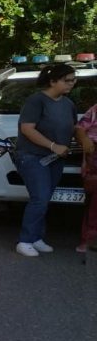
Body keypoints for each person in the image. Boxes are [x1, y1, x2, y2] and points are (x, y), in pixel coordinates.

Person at [12, 63, 82, 257]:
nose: (72, 84)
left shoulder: (68, 104)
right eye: (67, 80)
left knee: (44, 199)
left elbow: (74, 128)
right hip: (32, 157)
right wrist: (53, 146)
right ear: (52, 81)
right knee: (40, 198)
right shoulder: (36, 101)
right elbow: (27, 128)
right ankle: (25, 240)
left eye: (73, 80)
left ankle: (36, 237)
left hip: (56, 159)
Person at [77, 97, 97, 253]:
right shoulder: (95, 110)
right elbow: (79, 129)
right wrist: (85, 140)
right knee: (94, 205)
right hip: (94, 160)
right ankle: (88, 242)